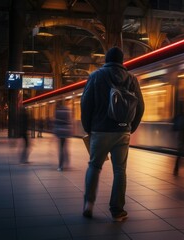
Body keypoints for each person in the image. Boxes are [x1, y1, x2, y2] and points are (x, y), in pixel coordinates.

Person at [80, 46, 145, 222]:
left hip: (99, 131)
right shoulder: (132, 79)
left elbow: (85, 104)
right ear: (122, 61)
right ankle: (117, 211)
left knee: (94, 166)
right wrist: (130, 127)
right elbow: (140, 106)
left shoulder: (95, 76)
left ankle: (89, 204)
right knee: (119, 171)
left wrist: (88, 128)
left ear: (106, 60)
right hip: (122, 131)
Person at [54, 102, 72, 171]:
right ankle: (67, 162)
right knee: (66, 148)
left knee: (61, 149)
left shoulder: (57, 111)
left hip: (60, 132)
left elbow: (56, 122)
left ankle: (60, 166)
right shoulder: (67, 110)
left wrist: (55, 132)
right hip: (66, 131)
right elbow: (69, 121)